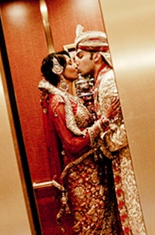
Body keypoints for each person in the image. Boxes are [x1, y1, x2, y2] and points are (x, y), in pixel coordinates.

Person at [74, 25, 147, 235]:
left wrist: (107, 142)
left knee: (137, 216)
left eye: (80, 55)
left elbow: (130, 125)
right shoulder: (101, 81)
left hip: (128, 158)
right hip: (121, 159)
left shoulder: (108, 82)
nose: (76, 61)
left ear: (96, 56)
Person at [39, 51, 122, 235]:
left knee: (105, 222)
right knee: (92, 225)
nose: (75, 65)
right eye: (69, 63)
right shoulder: (57, 102)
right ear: (58, 70)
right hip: (81, 175)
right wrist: (103, 121)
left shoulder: (68, 98)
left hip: (93, 170)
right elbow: (71, 144)